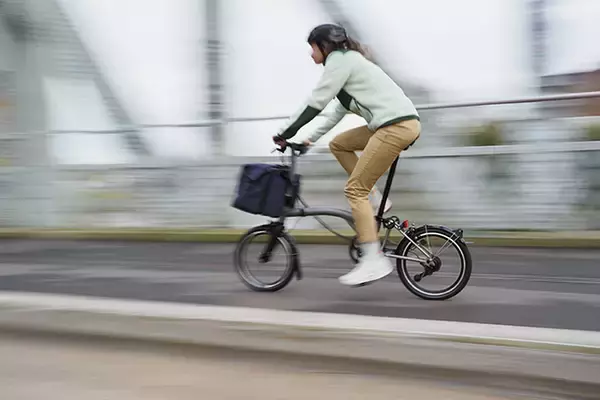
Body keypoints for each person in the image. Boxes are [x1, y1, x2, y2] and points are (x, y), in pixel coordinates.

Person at [273, 23, 421, 287]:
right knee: (339, 144)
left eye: (312, 47)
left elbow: (315, 102)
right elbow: (333, 115)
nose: (310, 53)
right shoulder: (350, 65)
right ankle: (375, 198)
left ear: (324, 46)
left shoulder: (340, 61)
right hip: (396, 124)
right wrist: (307, 141)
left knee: (354, 191)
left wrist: (285, 132)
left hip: (395, 127)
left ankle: (373, 260)